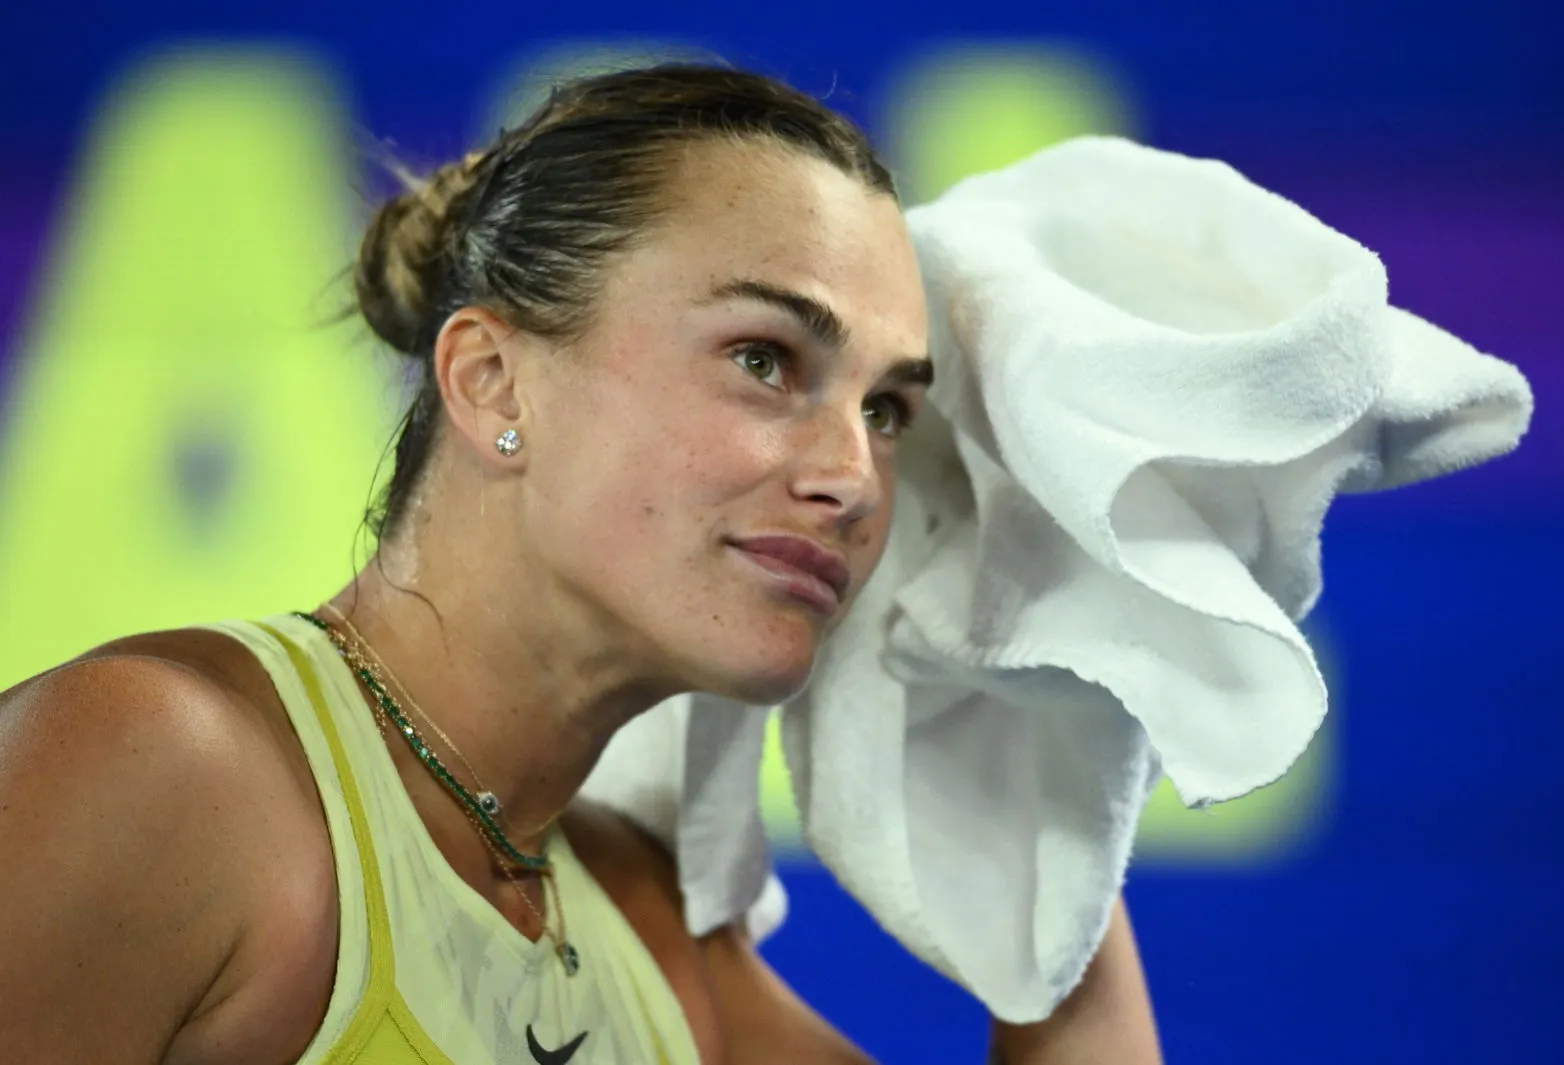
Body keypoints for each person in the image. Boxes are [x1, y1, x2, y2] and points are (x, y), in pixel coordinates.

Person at [0, 63, 1162, 1064]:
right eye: (764, 358)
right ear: (490, 380)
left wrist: (1055, 793)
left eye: (890, 409)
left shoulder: (649, 927)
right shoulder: (157, 768)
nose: (855, 476)